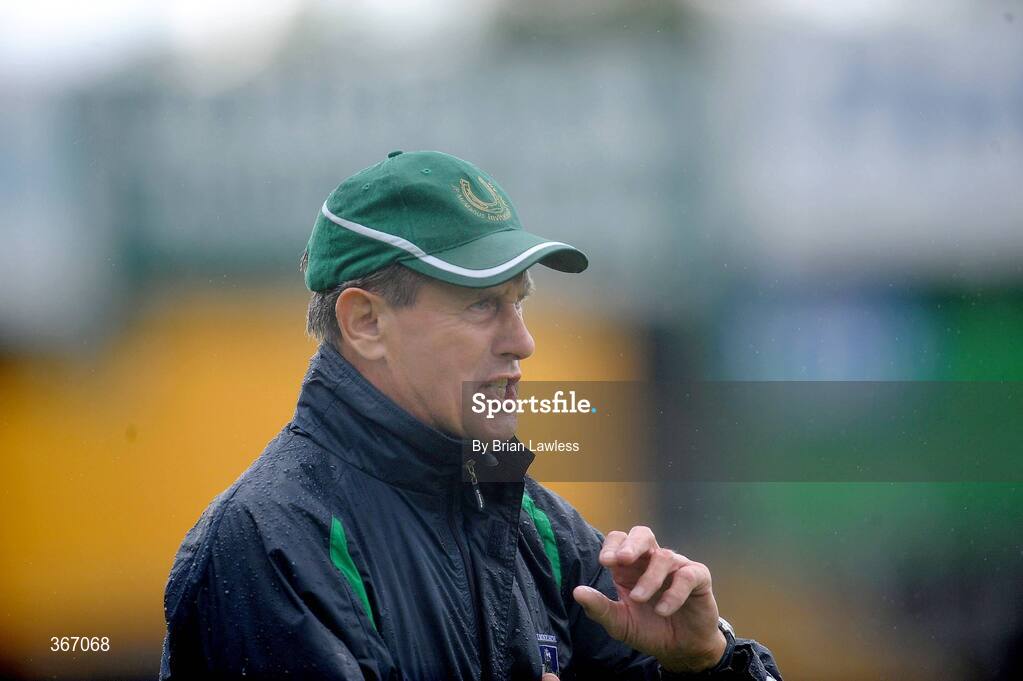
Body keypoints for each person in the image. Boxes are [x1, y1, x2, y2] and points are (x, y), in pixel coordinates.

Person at [159, 150, 783, 680]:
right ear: (365, 322)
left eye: (519, 302)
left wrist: (708, 660)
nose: (522, 341)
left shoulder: (534, 521)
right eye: (483, 305)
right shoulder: (268, 545)